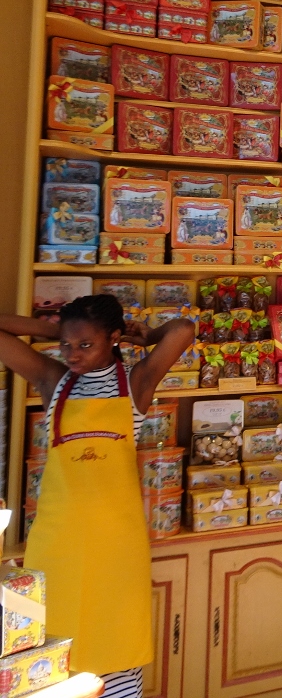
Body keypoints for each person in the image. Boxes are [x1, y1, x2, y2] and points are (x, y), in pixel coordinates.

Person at [0, 294, 195, 698]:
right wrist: (56, 329)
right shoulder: (52, 379)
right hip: (57, 541)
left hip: (116, 545)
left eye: (86, 344)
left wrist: (147, 335)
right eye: (66, 345)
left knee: (115, 641)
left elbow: (183, 330)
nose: (72, 354)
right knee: (48, 647)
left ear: (113, 338)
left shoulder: (137, 383)